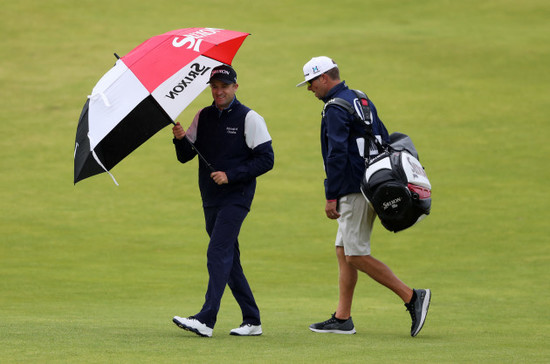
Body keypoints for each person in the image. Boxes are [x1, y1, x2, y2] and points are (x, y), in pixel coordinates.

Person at [296, 56, 431, 337]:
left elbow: (336, 154)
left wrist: (331, 195)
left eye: (311, 83)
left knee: (356, 255)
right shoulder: (359, 97)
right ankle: (343, 318)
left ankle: (411, 296)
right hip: (372, 181)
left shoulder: (334, 108)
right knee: (343, 251)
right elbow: (382, 135)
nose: (310, 89)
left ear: (323, 78)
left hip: (352, 187)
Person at [171, 65, 274, 338]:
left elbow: (267, 159)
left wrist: (231, 175)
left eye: (224, 86)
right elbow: (185, 156)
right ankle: (252, 320)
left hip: (236, 197)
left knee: (217, 252)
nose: (219, 91)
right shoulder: (202, 116)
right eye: (214, 86)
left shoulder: (250, 118)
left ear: (235, 87)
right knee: (229, 259)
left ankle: (206, 319)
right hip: (210, 197)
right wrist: (180, 140)